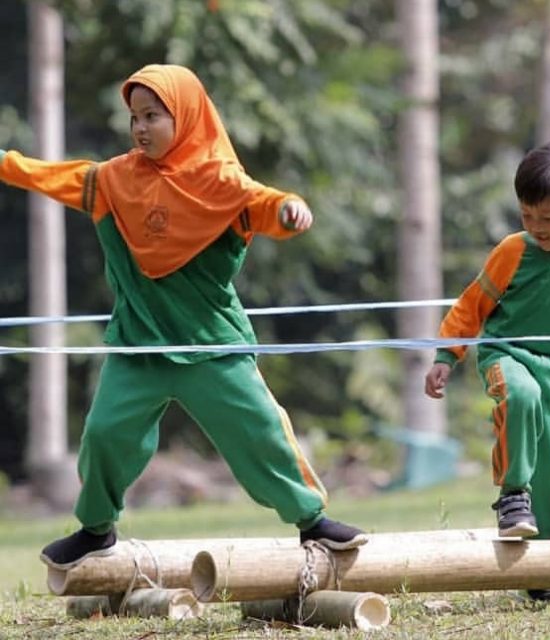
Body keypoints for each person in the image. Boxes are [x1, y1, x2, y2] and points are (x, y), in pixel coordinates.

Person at [0, 64, 368, 569]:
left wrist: (290, 210)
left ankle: (312, 522)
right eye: (134, 118)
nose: (140, 128)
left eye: (153, 116)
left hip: (211, 345)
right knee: (105, 435)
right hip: (138, 346)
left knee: (260, 432)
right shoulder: (113, 180)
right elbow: (44, 173)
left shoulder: (221, 181)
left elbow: (267, 205)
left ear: (188, 116)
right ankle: (96, 529)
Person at [424, 142, 550, 603]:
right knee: (522, 396)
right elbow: (473, 305)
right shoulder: (513, 250)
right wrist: (446, 356)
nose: (536, 228)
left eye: (548, 219)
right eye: (527, 216)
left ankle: (549, 572)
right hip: (505, 355)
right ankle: (512, 495)